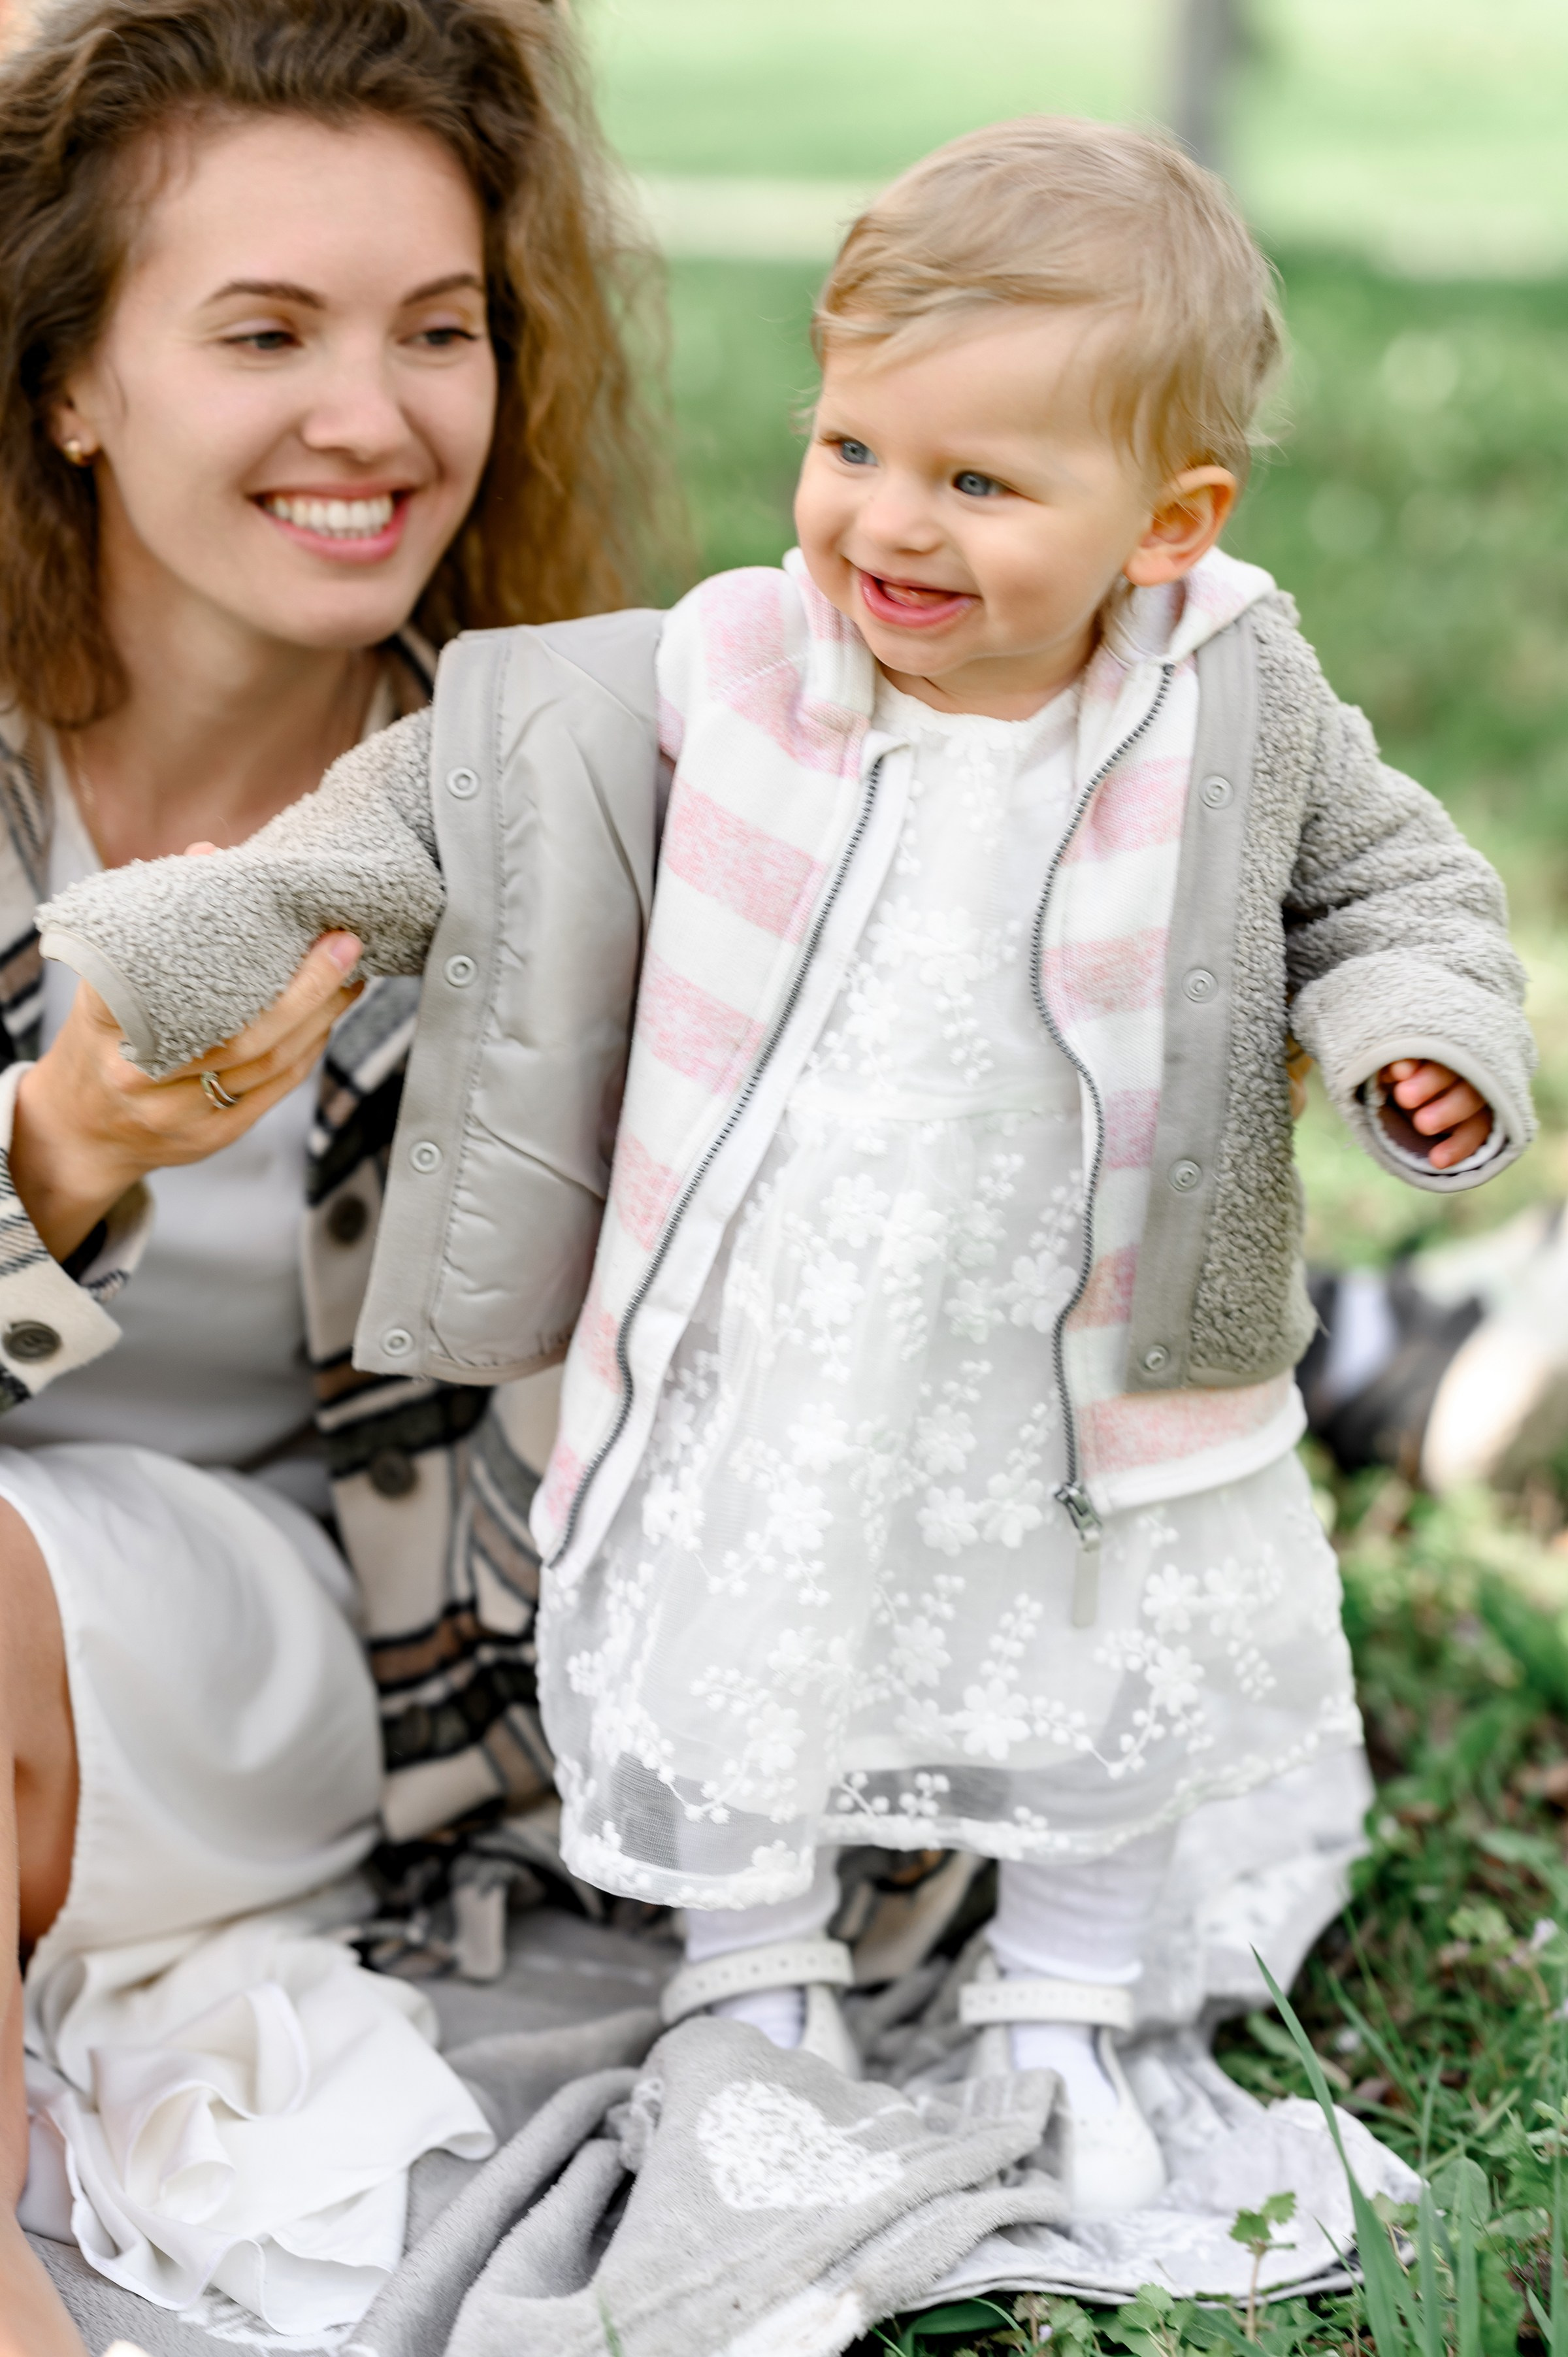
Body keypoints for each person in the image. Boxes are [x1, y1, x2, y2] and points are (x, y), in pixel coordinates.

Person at [44, 119, 1537, 2227]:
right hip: (771, 1320)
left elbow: (1393, 884)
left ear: (1172, 522)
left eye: (980, 484)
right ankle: (752, 1982)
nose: (887, 525)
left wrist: (1417, 1036)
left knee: (1104, 1649)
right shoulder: (731, 672)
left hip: (1085, 1348)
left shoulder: (1228, 701)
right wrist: (182, 940)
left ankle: (1063, 2000)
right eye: (852, 452)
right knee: (742, 1634)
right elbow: (405, 822)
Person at [0, 1, 664, 2347]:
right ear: (71, 383)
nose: (373, 423)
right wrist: (55, 1152)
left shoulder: (567, 825)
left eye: (439, 331)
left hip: (307, 1648)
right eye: (263, 331)